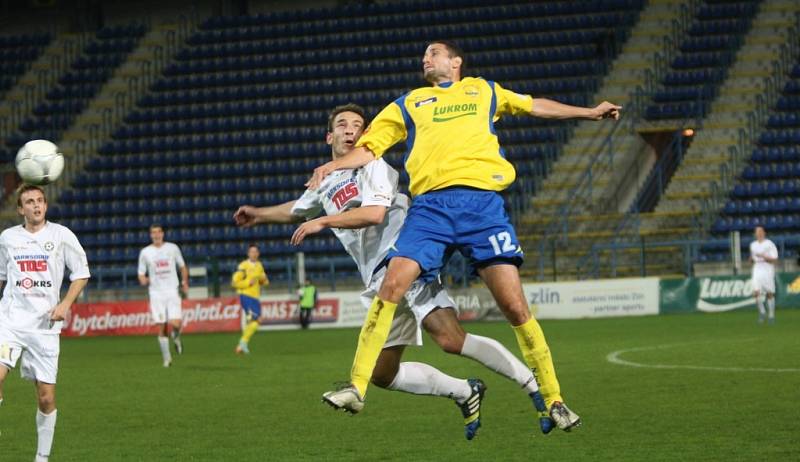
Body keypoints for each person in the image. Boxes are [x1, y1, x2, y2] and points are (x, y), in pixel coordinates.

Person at [307, 41, 623, 432]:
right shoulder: (410, 102)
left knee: (514, 307)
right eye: (424, 55)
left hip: (481, 206)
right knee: (393, 283)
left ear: (456, 62)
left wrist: (589, 112)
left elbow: (534, 105)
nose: (426, 58)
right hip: (430, 209)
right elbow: (369, 149)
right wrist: (331, 165)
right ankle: (356, 387)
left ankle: (553, 397)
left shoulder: (483, 90)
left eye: (434, 52)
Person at [234, 104, 548, 440]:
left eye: (358, 124)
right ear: (331, 136)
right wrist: (259, 214)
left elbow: (373, 214)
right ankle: (464, 390)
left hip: (405, 262)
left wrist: (322, 221)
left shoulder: (375, 165)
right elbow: (296, 209)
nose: (350, 129)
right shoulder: (325, 183)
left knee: (449, 339)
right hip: (380, 280)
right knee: (386, 372)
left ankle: (533, 384)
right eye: (342, 124)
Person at [0, 185, 90, 462]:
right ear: (20, 209)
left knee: (46, 399)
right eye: (29, 202)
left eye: (40, 201)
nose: (36, 206)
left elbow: (82, 273)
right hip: (11, 322)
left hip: (45, 327)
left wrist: (65, 304)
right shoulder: (8, 238)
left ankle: (42, 457)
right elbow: (2, 277)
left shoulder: (61, 235)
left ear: (46, 205)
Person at [138, 224, 188, 367]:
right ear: (150, 235)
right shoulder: (145, 252)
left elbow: (182, 266)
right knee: (162, 326)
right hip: (156, 293)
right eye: (153, 232)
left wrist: (185, 282)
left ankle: (176, 336)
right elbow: (141, 273)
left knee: (176, 324)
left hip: (172, 290)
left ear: (163, 234)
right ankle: (167, 359)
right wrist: (143, 279)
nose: (156, 235)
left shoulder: (172, 248)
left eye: (159, 232)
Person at [232, 243, 268, 354]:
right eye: (251, 252)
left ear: (258, 253)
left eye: (255, 252)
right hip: (246, 296)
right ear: (248, 253)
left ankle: (241, 345)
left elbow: (265, 282)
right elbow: (234, 283)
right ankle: (243, 343)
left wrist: (263, 280)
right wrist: (248, 282)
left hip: (255, 298)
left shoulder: (259, 266)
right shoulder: (243, 266)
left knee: (256, 322)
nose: (254, 254)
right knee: (256, 320)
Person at [749, 226, 778, 324]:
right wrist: (751, 260)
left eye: (761, 231)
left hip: (767, 270)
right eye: (757, 231)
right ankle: (762, 312)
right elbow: (752, 259)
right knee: (756, 293)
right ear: (755, 234)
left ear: (764, 232)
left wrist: (764, 257)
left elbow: (774, 260)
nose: (759, 233)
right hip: (757, 269)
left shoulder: (770, 244)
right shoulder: (753, 245)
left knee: (769, 293)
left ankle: (771, 315)